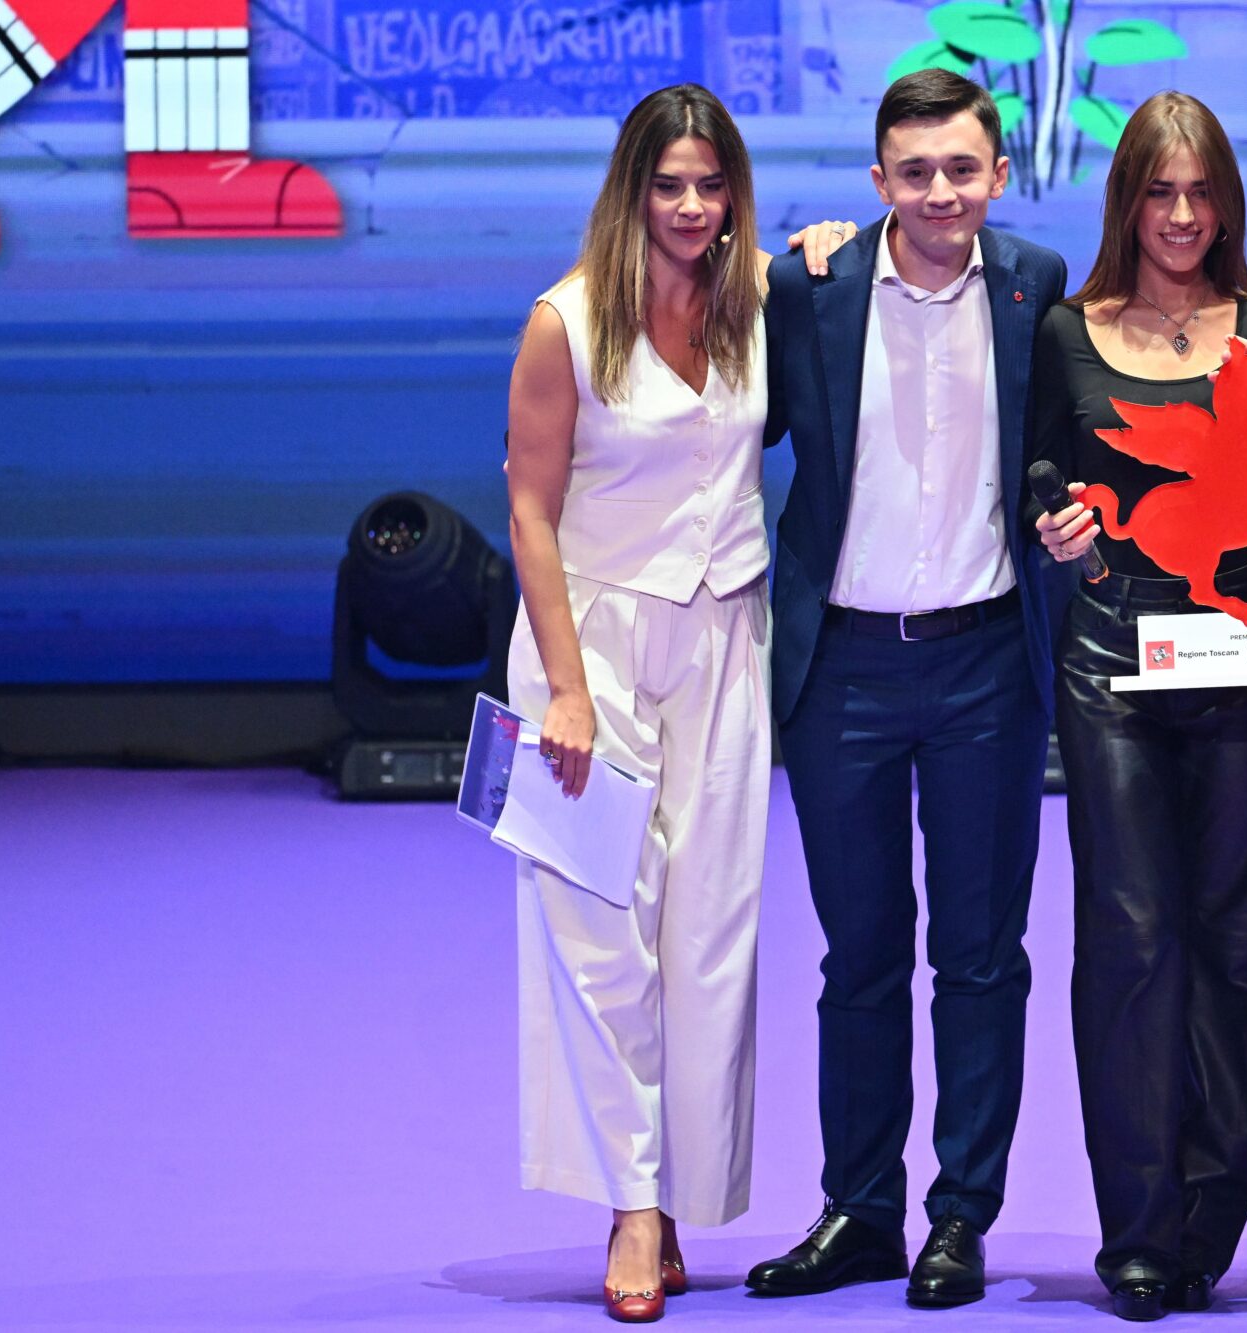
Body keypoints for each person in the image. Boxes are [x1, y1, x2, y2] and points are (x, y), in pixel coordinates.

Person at [741, 69, 1070, 1309]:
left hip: (988, 665)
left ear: (998, 174)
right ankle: (859, 1209)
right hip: (843, 670)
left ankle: (960, 1216)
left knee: (980, 959)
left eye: (961, 169)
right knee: (861, 957)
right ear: (878, 180)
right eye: (914, 172)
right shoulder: (808, 289)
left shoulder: (1036, 286)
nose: (939, 192)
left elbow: (1066, 450)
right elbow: (724, 426)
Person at [1027, 91, 1247, 1323]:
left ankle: (1210, 1215)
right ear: (1126, 201)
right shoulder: (1065, 330)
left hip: (1240, 655)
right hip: (1111, 662)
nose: (1183, 215)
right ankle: (1139, 1234)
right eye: (1160, 191)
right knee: (1131, 942)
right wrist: (1057, 519)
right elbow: (1041, 466)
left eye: (1201, 192)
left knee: (1239, 947)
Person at [502, 83, 776, 1325]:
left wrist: (829, 240)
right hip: (590, 646)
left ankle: (680, 1192)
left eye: (710, 185)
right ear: (630, 189)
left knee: (709, 935)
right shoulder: (563, 322)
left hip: (725, 637)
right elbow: (529, 508)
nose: (690, 206)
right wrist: (564, 688)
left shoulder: (754, 298)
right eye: (668, 184)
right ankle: (629, 1202)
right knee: (600, 932)